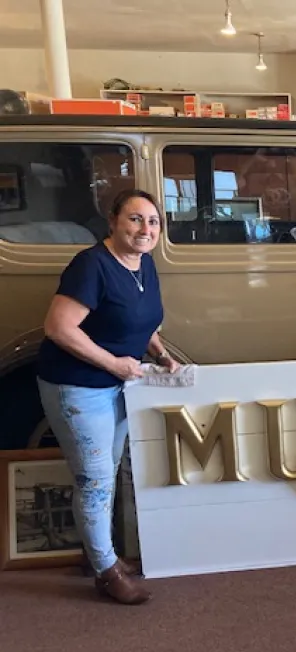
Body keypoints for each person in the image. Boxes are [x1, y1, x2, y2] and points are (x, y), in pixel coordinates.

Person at [36, 188, 180, 605]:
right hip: (77, 386)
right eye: (135, 219)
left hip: (118, 385)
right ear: (113, 221)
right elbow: (59, 328)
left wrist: (162, 355)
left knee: (107, 474)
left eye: (152, 222)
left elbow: (142, 321)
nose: (145, 229)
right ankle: (106, 571)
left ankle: (101, 555)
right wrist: (115, 365)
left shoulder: (145, 265)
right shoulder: (91, 265)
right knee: (95, 481)